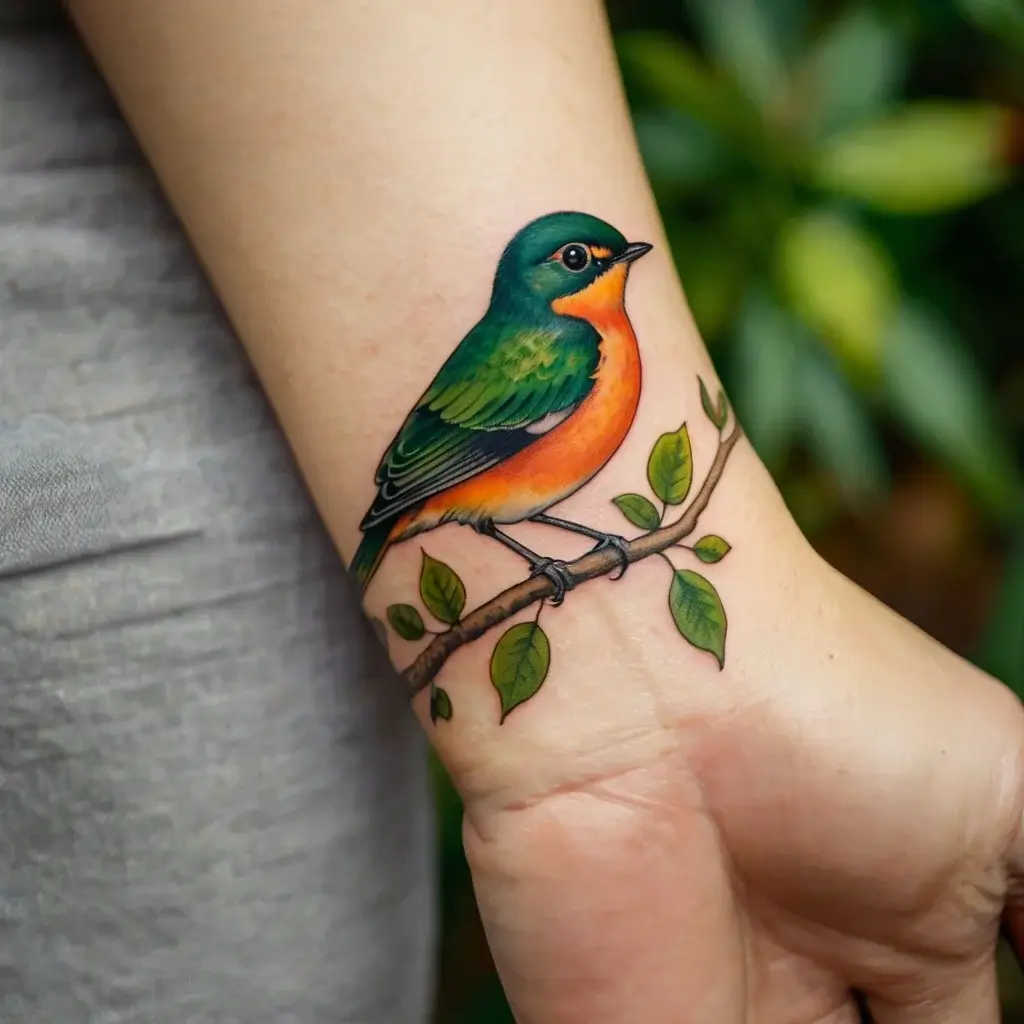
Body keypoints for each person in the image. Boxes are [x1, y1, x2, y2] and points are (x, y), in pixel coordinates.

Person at [6, 2, 1023, 1021]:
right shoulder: (565, 351)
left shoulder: (598, 346)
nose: (606, 267)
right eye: (583, 263)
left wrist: (663, 712)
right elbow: (481, 459)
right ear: (546, 286)